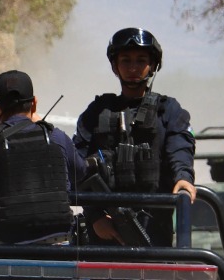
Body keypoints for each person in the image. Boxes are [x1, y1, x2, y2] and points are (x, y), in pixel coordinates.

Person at [73, 28, 196, 246]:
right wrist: (95, 217)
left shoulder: (168, 111)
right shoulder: (97, 112)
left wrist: (184, 178)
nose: (133, 68)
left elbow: (180, 148)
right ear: (115, 65)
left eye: (141, 60)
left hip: (153, 231)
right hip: (104, 234)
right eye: (126, 60)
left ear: (153, 65)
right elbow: (77, 165)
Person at [0, 70, 86, 244]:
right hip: (57, 249)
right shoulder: (58, 138)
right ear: (34, 103)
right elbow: (80, 172)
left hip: (3, 250)